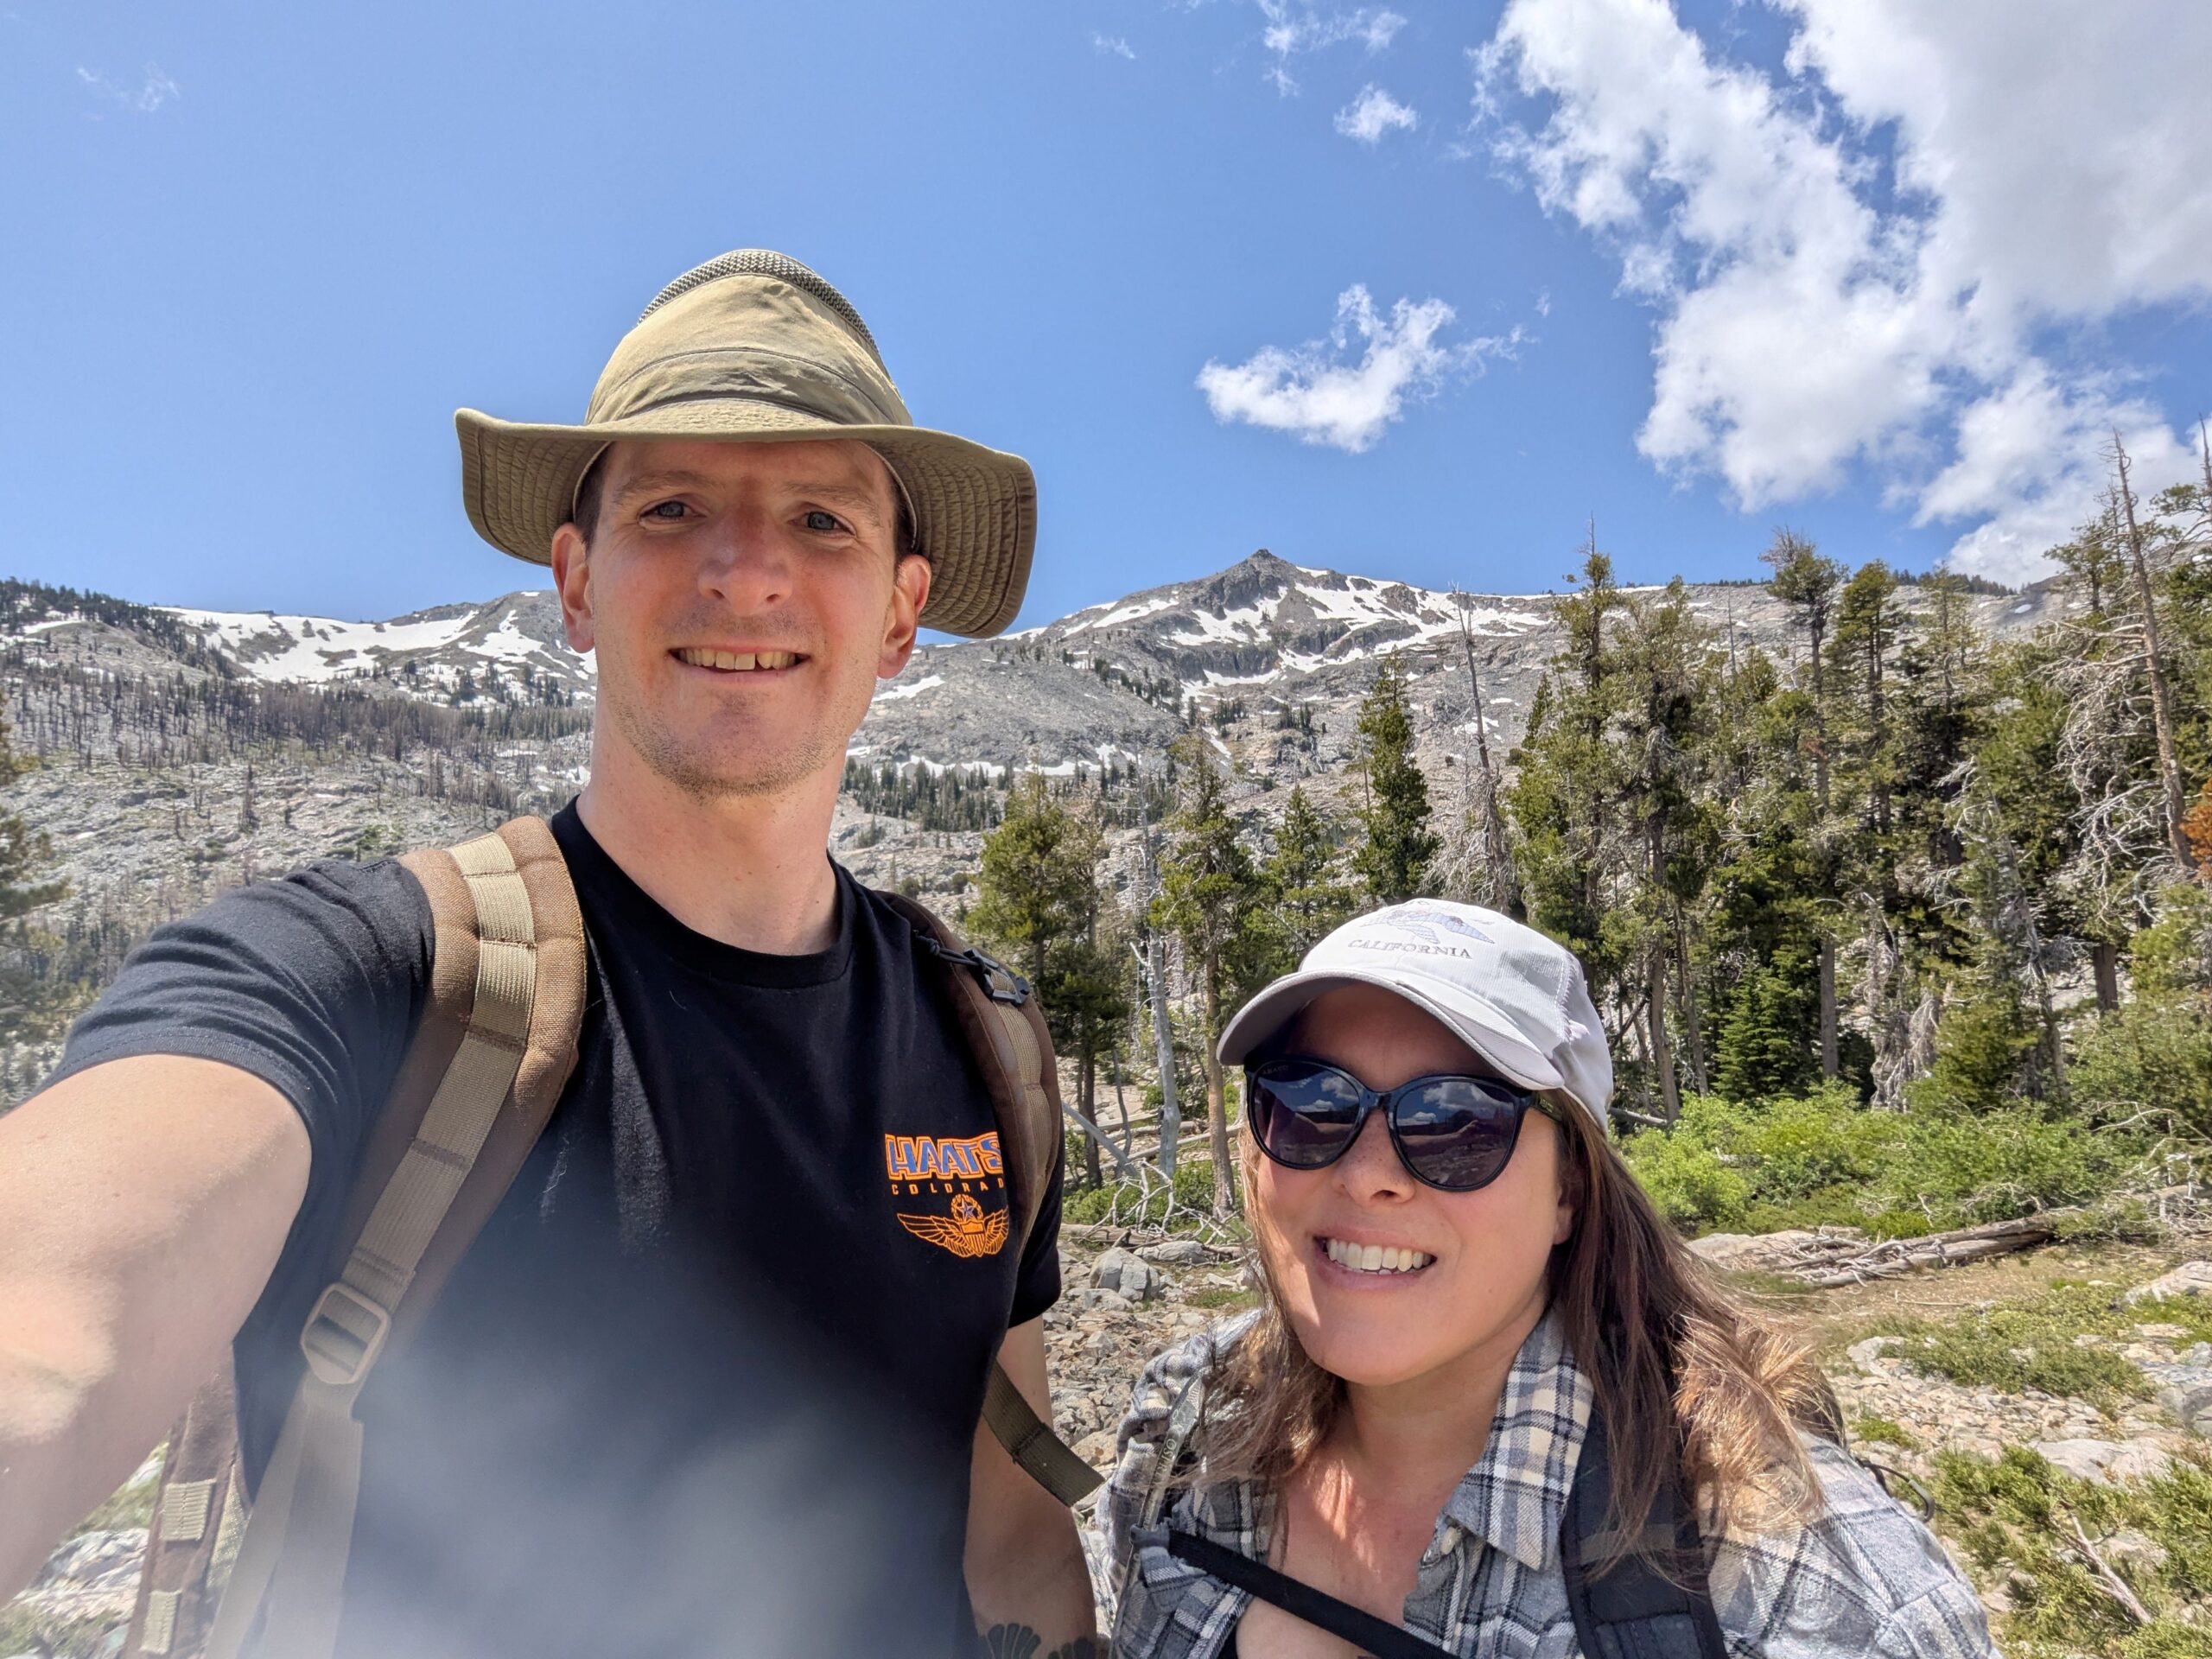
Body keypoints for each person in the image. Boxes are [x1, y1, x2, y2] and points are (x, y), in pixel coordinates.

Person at [0, 250, 1096, 1658]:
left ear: (899, 613)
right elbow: (49, 1335)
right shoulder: (356, 976)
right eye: (672, 507)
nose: (746, 571)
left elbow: (1012, 1544)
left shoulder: (984, 1047)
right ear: (576, 583)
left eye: (822, 518)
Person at [1098, 899, 1993, 1659]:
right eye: (1310, 1103)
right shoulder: (1187, 1424)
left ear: (1570, 1191)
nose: (1368, 1174)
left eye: (1457, 1123)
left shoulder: (1803, 1591)